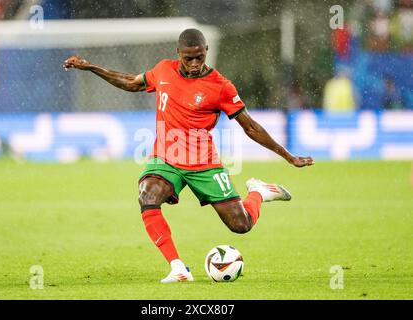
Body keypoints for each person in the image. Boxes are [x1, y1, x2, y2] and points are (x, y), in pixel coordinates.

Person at [63, 29, 314, 283]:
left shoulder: (221, 87)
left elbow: (250, 127)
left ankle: (258, 192)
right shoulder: (163, 70)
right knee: (147, 194)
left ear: (206, 51)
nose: (194, 64)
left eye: (199, 57)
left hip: (203, 163)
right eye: (188, 58)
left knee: (241, 225)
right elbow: (130, 82)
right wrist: (91, 67)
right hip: (166, 157)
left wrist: (287, 156)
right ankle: (178, 267)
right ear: (178, 54)